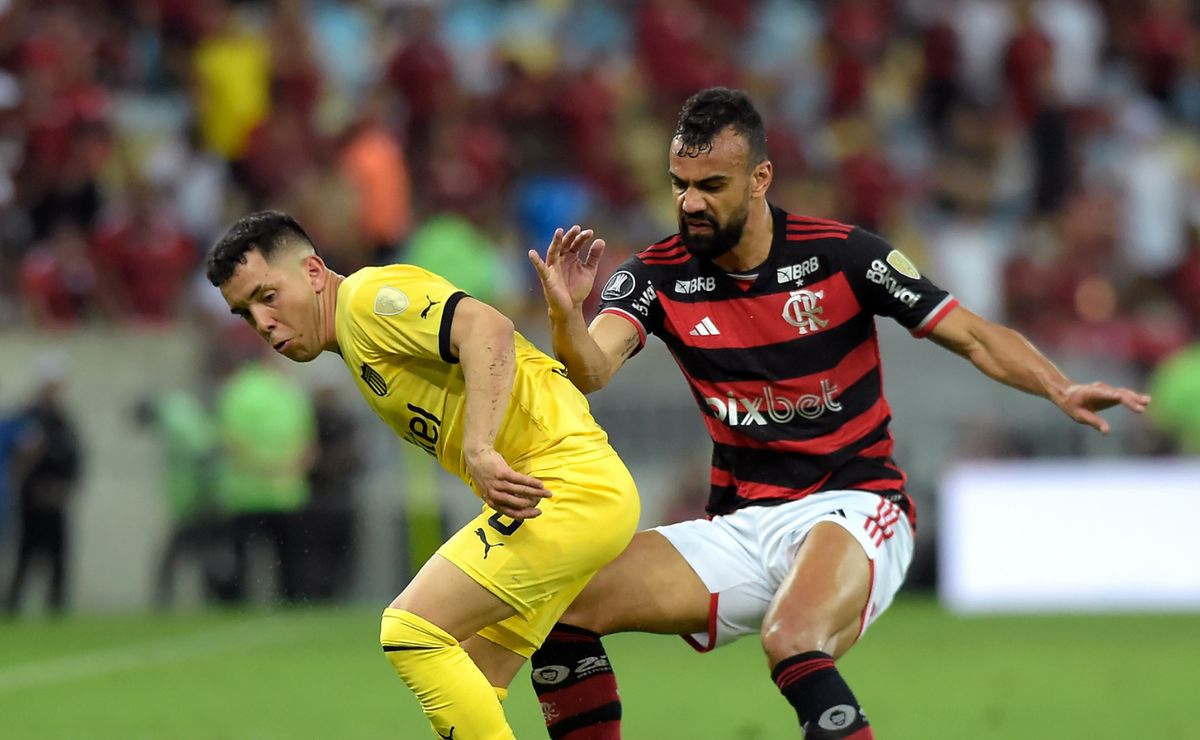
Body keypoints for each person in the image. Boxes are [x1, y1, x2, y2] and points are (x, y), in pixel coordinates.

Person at [526, 87, 1151, 739]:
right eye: (680, 184)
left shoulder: (843, 256)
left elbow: (971, 334)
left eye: (711, 184)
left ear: (760, 177)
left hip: (855, 503)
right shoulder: (655, 275)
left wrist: (1059, 385)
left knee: (793, 638)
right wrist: (565, 321)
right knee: (561, 607)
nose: (690, 202)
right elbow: (590, 372)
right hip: (744, 523)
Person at [205, 210, 639, 739]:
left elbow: (489, 328)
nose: (262, 322)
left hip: (567, 485)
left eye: (267, 296)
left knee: (410, 630)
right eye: (245, 313)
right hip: (554, 496)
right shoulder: (353, 341)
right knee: (473, 681)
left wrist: (478, 448)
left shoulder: (367, 301)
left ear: (315, 272)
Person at [5, 363, 83, 617]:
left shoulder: (63, 420)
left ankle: (56, 606)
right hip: (32, 497)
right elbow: (17, 457)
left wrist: (66, 488)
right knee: (25, 554)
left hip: (57, 498)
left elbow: (75, 458)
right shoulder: (26, 418)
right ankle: (13, 606)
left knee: (58, 558)